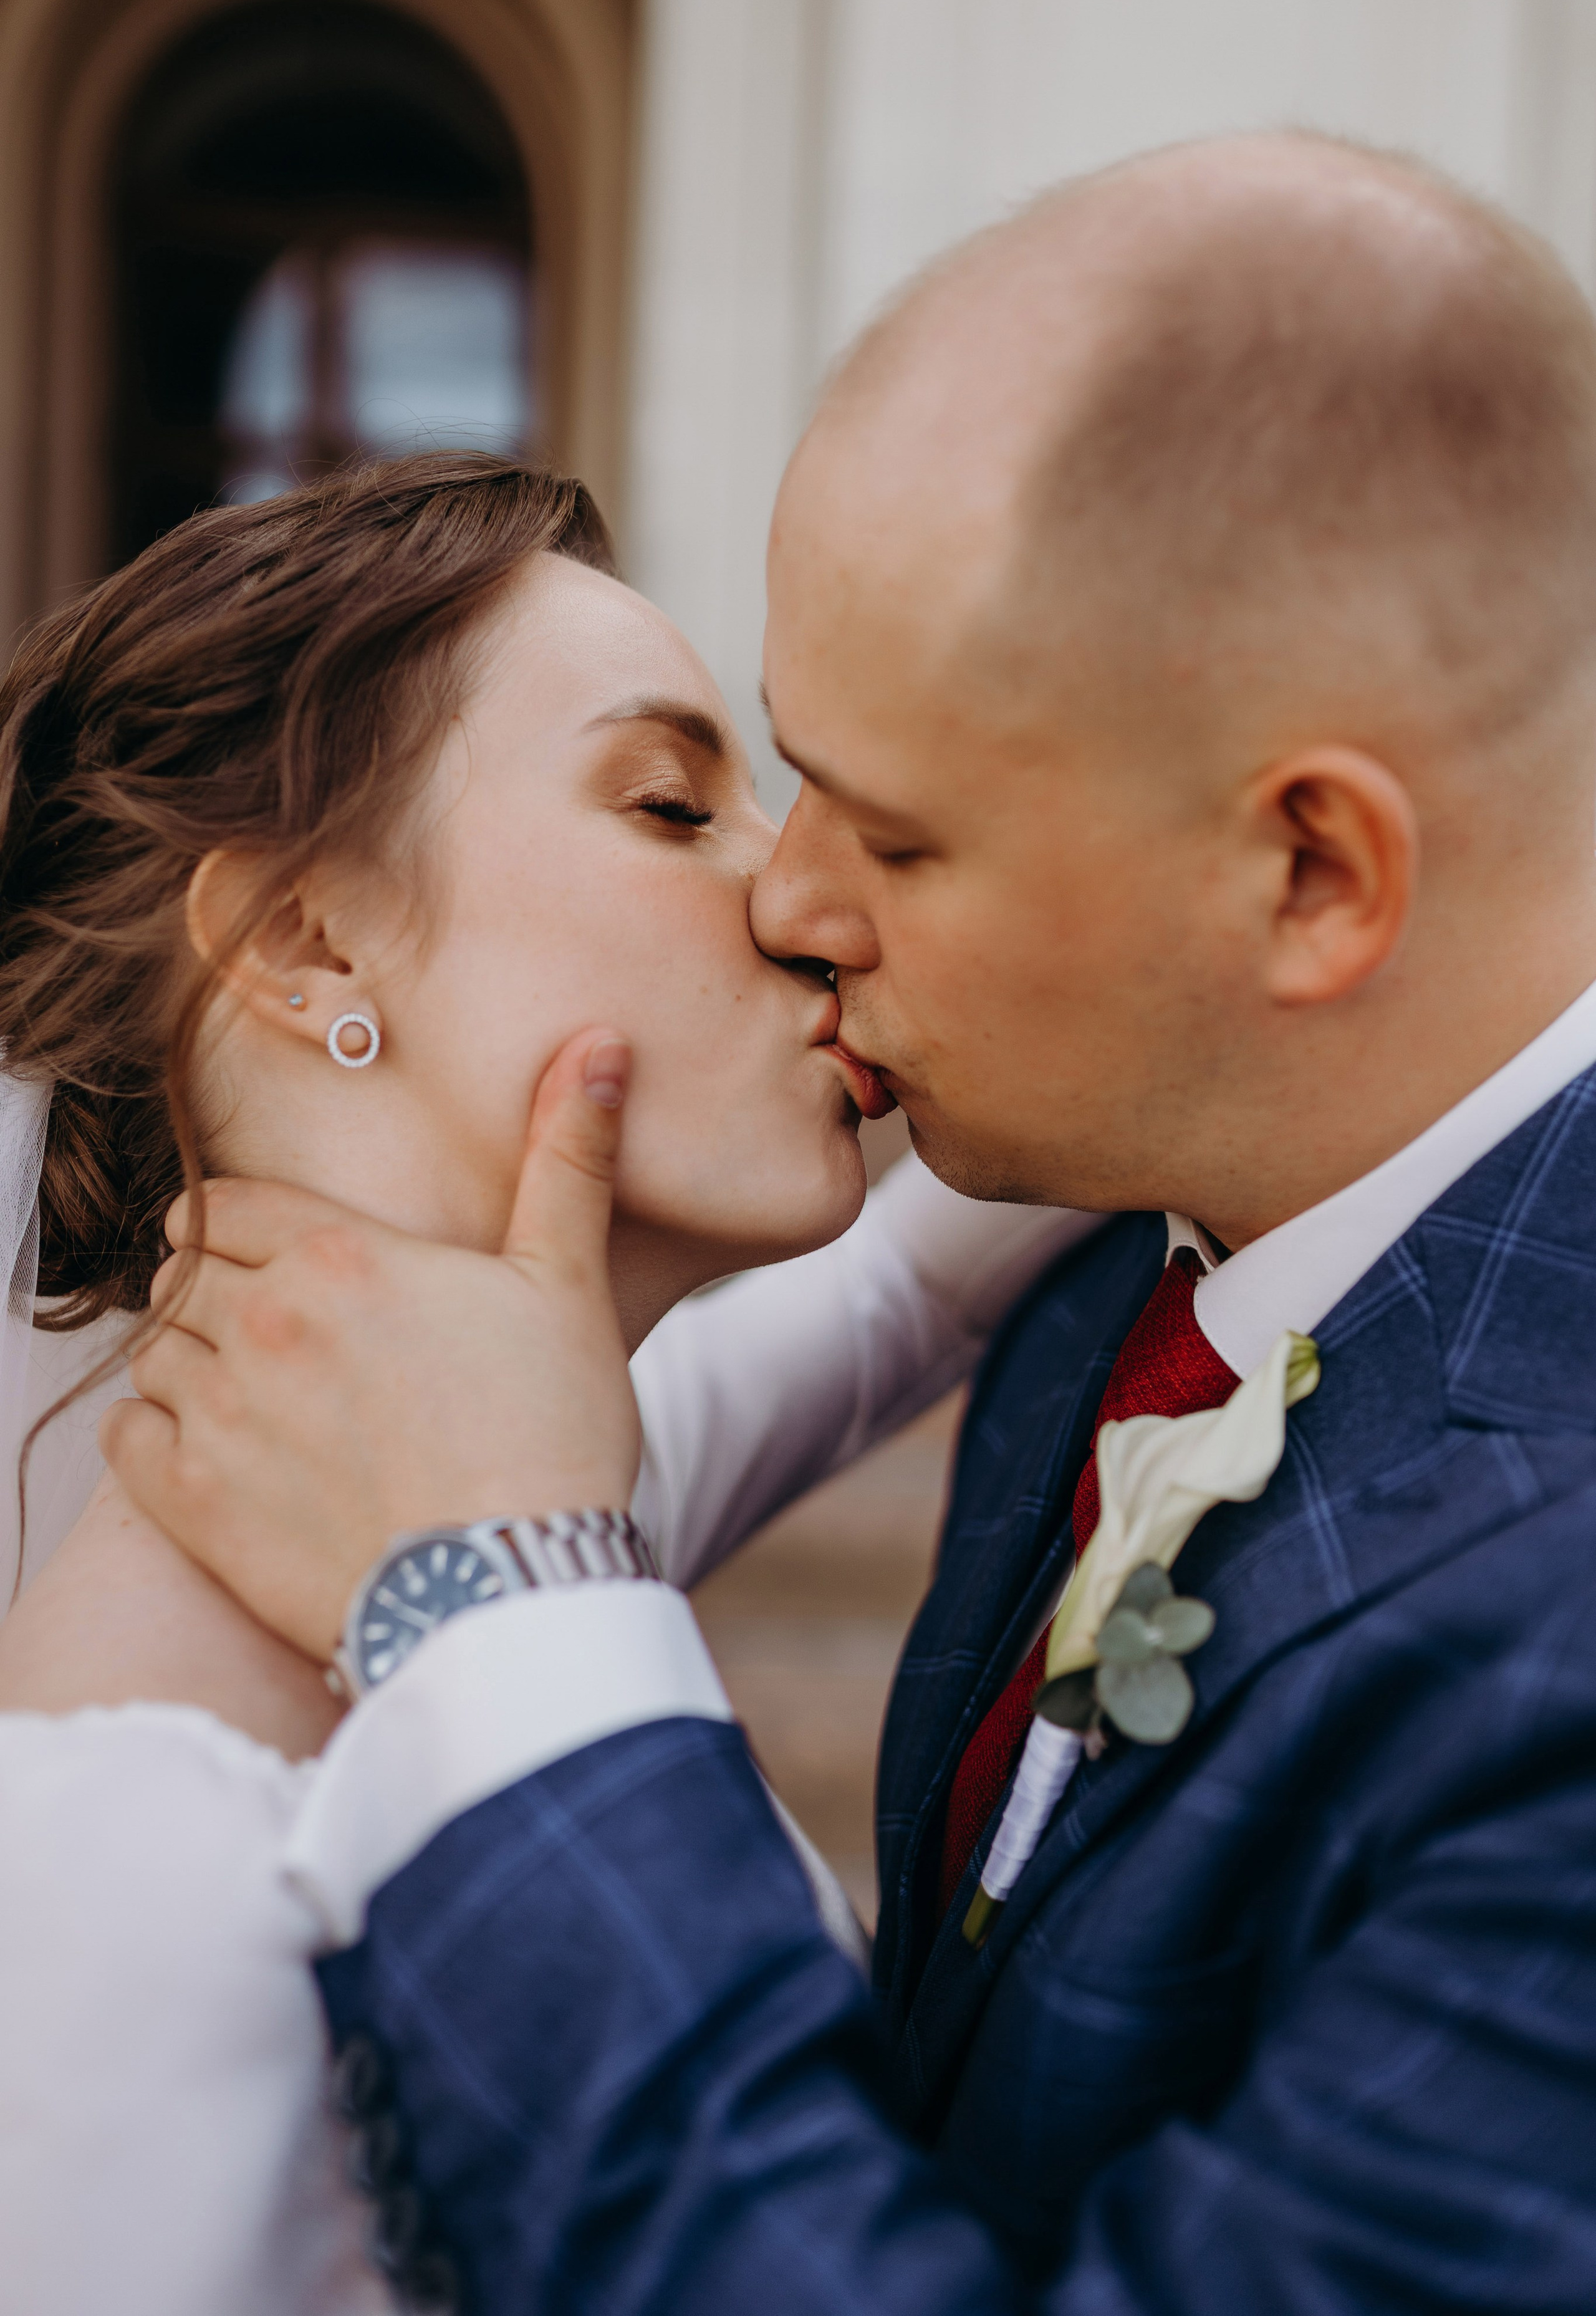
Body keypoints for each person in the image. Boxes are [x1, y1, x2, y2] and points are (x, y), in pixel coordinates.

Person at [107, 130, 1596, 2310]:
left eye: (892, 841)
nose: (788, 907)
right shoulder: (1126, 1245)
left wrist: (503, 1616)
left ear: (1311, 874)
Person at [0, 453, 1088, 2316]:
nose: (801, 895)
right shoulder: (112, 1868)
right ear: (307, 943)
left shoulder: (502, 1507)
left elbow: (918, 1285)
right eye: (674, 805)